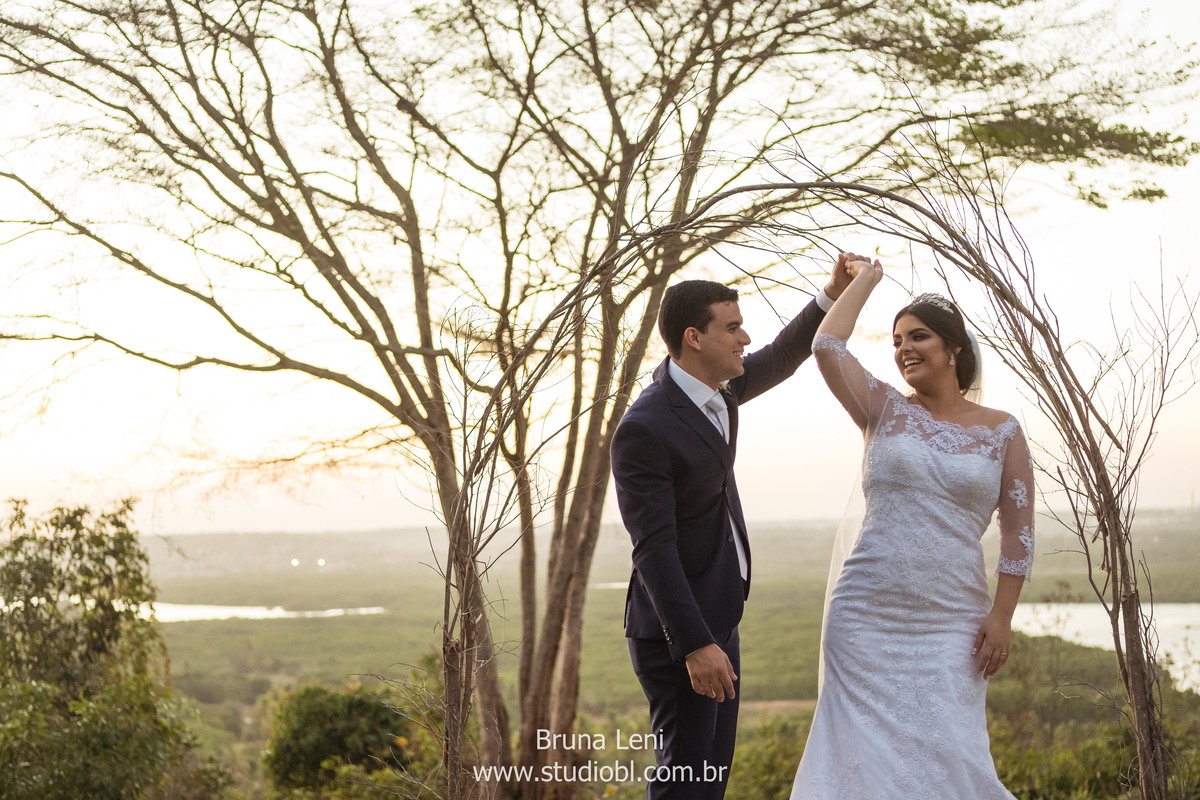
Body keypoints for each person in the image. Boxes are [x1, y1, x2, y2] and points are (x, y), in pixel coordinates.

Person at [789, 255, 1035, 798]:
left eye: (918, 336)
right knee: (859, 763)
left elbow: (1019, 534)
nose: (904, 349)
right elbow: (826, 346)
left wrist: (1002, 614)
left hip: (954, 622)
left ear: (954, 349)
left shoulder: (1003, 431)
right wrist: (867, 282)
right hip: (865, 616)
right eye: (897, 340)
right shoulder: (882, 409)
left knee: (953, 755)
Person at [611, 257, 854, 799]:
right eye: (733, 327)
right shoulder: (645, 428)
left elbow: (786, 354)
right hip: (678, 634)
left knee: (711, 778)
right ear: (694, 338)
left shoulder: (720, 394)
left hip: (720, 618)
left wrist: (831, 294)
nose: (746, 337)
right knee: (684, 784)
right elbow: (653, 548)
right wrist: (695, 645)